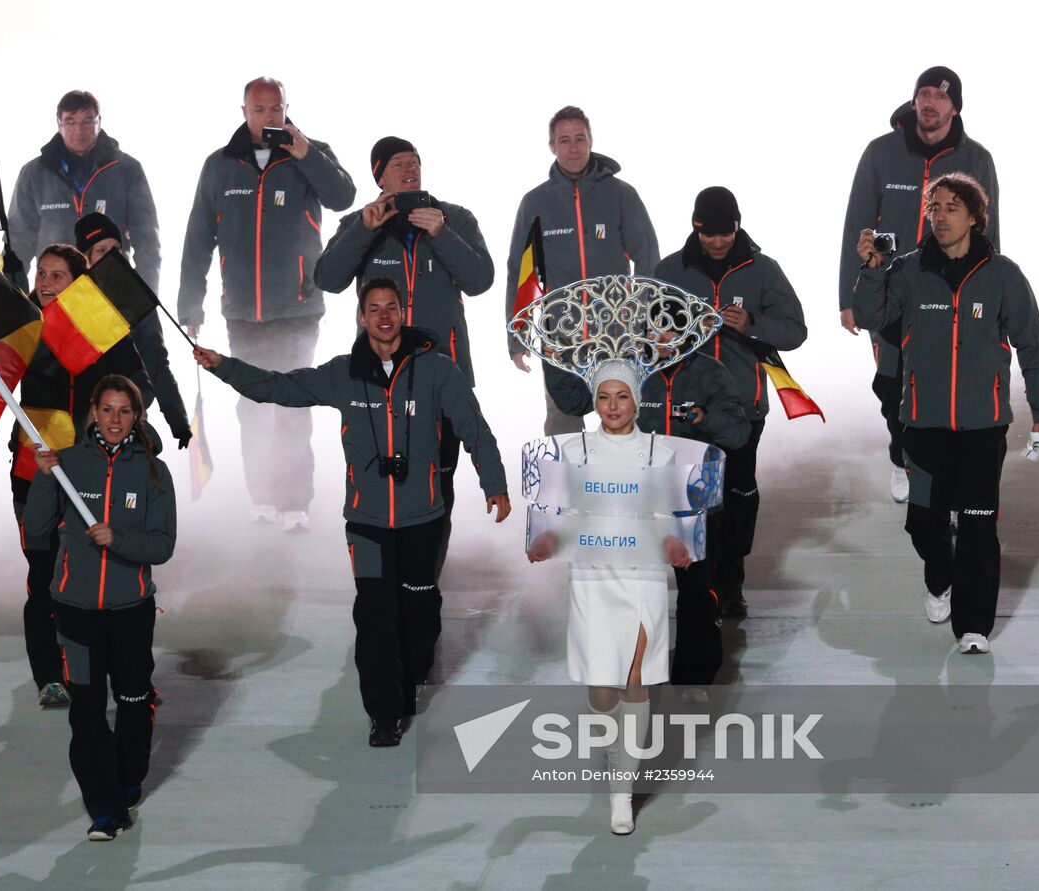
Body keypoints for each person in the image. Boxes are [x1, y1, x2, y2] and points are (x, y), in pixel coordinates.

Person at [192, 277, 510, 747]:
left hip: (423, 519)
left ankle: (411, 680)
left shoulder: (439, 371)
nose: (384, 315)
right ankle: (383, 715)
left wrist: (495, 484)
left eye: (392, 307)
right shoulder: (343, 373)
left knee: (420, 613)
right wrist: (224, 366)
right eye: (374, 308)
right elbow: (277, 387)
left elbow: (474, 429)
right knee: (376, 615)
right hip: (367, 523)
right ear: (361, 318)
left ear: (403, 313)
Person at [853, 172, 1039, 655]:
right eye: (934, 208)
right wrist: (871, 269)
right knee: (924, 521)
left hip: (983, 427)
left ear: (974, 217)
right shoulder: (905, 270)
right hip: (922, 426)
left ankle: (973, 626)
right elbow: (872, 318)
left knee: (979, 523)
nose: (940, 216)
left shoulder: (1003, 275)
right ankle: (939, 578)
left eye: (951, 208)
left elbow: (1032, 345)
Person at [178, 76, 356, 532]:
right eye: (259, 110)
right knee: (253, 405)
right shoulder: (220, 165)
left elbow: (343, 197)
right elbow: (198, 237)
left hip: (296, 308)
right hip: (242, 311)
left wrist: (307, 154)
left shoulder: (309, 152)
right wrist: (189, 305)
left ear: (286, 108)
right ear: (244, 111)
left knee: (293, 403)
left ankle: (295, 502)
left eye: (276, 109)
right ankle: (263, 498)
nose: (269, 118)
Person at [527, 360, 694, 835]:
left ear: (636, 401)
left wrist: (674, 544)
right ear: (594, 402)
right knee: (603, 692)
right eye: (604, 397)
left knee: (636, 681)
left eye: (622, 397)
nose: (613, 407)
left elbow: (666, 513)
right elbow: (567, 512)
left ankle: (623, 795)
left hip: (642, 575)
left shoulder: (658, 452)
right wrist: (547, 541)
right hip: (594, 576)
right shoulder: (573, 448)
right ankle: (613, 738)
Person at [315, 136, 493, 551]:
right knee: (376, 474)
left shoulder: (455, 218)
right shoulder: (359, 223)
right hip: (378, 381)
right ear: (379, 175)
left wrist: (442, 234)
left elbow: (480, 280)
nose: (410, 168)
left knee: (438, 478)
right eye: (398, 163)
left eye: (414, 162)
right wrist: (364, 227)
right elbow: (327, 279)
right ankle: (382, 568)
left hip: (442, 375)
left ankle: (426, 571)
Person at [544, 337, 750, 686]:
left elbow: (738, 431)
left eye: (671, 335)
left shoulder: (710, 372)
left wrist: (705, 417)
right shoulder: (627, 370)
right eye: (655, 334)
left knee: (698, 590)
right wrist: (553, 362)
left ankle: (694, 679)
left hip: (692, 501)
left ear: (685, 334)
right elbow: (576, 401)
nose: (663, 343)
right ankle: (616, 678)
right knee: (624, 598)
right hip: (633, 506)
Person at [24, 374, 175, 841]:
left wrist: (119, 539)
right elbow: (34, 529)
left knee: (133, 701)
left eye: (124, 411)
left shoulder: (153, 472)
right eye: (107, 410)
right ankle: (105, 810)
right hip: (76, 611)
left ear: (136, 417)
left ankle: (129, 777)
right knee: (87, 711)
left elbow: (163, 545)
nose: (114, 419)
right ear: (93, 412)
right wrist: (44, 478)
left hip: (131, 610)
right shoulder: (68, 464)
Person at [839, 67, 1000, 503]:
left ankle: (941, 476)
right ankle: (901, 457)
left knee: (940, 381)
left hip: (949, 292)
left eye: (940, 97)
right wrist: (847, 297)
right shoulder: (880, 153)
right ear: (914, 102)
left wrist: (990, 298)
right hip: (889, 293)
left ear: (955, 107)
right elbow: (857, 224)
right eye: (923, 94)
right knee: (892, 386)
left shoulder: (976, 160)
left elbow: (989, 234)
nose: (930, 103)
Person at [10, 244, 157, 709]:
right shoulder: (18, 325)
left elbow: (143, 386)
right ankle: (51, 676)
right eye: (41, 274)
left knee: (98, 575)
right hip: (35, 472)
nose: (47, 283)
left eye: (58, 275)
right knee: (43, 574)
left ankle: (110, 672)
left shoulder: (104, 328)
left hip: (96, 473)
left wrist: (111, 416)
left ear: (80, 283)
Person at [655, 187, 807, 617]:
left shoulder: (762, 271)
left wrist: (753, 324)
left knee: (738, 498)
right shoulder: (670, 271)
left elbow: (795, 330)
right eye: (709, 235)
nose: (718, 242)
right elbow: (641, 333)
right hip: (684, 412)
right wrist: (666, 338)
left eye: (726, 233)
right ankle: (699, 589)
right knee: (692, 500)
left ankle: (731, 583)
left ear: (737, 226)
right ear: (695, 228)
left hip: (742, 409)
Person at [505, 105, 660, 435]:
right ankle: (568, 487)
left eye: (579, 138)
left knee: (624, 427)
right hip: (562, 337)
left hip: (617, 336)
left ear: (591, 140)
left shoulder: (620, 195)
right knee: (563, 432)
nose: (573, 147)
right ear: (552, 146)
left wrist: (643, 320)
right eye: (564, 140)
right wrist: (517, 338)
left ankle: (624, 485)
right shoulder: (535, 203)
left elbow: (648, 260)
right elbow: (521, 274)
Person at [8, 90, 160, 292]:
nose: (79, 130)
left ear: (99, 122)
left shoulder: (127, 170)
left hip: (112, 293)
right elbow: (17, 242)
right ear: (59, 123)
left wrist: (145, 300)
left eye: (88, 120)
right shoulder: (34, 174)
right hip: (54, 294)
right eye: (70, 121)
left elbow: (147, 241)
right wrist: (12, 301)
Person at [74, 211, 191, 445]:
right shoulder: (70, 300)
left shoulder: (136, 298)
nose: (112, 257)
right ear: (85, 257)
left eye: (116, 249)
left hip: (129, 408)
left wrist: (178, 420)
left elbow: (156, 362)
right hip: (80, 414)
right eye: (102, 250)